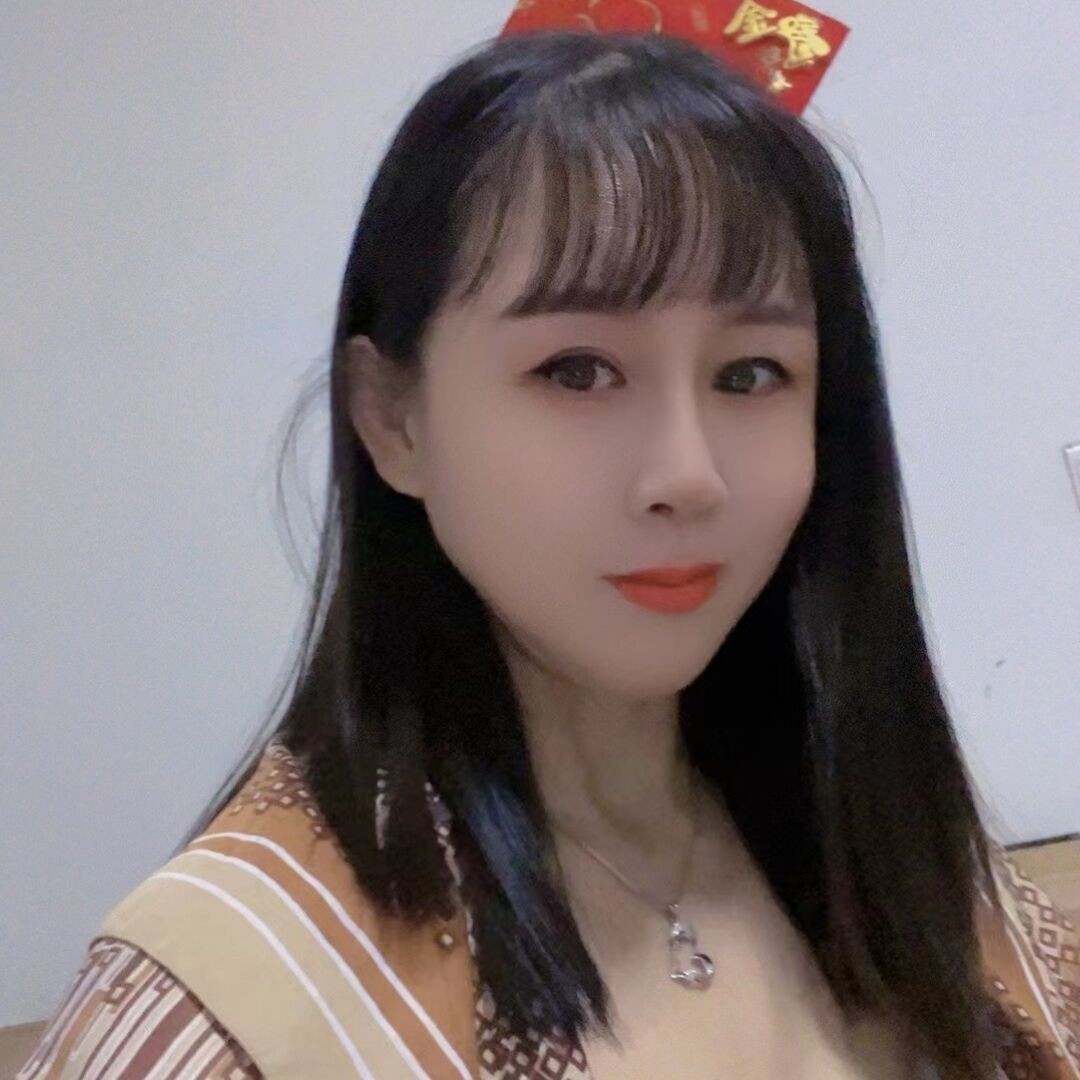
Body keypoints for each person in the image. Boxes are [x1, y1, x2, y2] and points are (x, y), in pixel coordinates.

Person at [20, 28, 1079, 1080]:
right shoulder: (233, 1005)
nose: (688, 474)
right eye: (577, 370)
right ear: (392, 418)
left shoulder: (896, 856)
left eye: (750, 374)